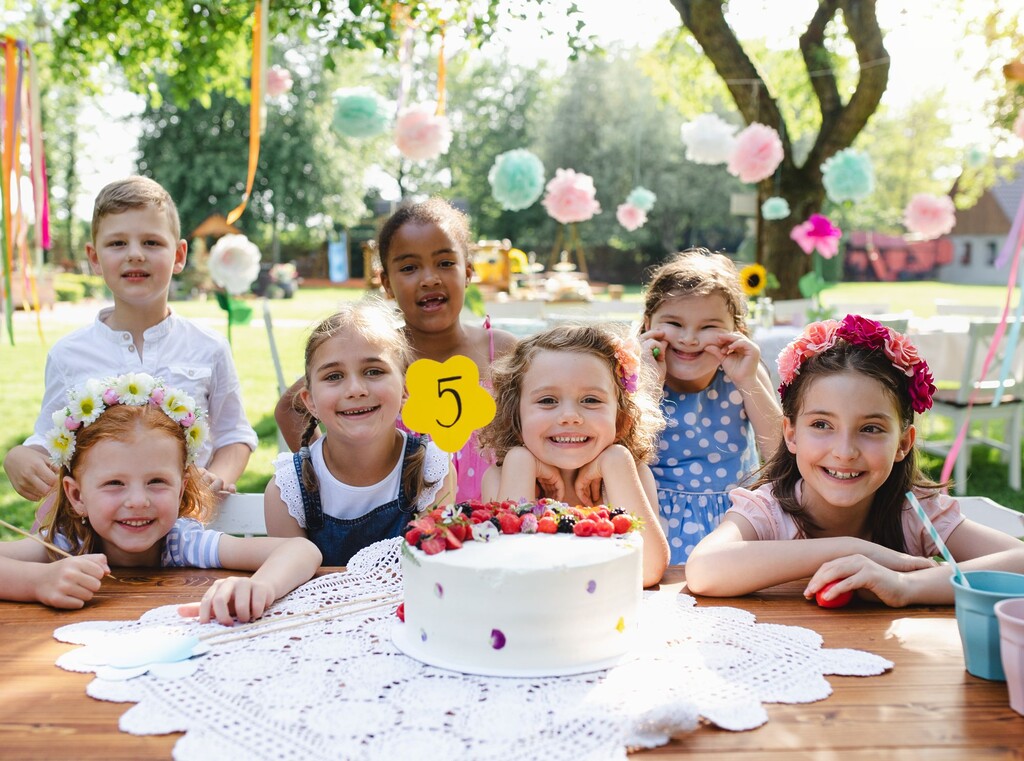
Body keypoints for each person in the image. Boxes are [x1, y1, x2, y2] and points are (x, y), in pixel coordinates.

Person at [685, 315, 1024, 606]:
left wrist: (907, 586)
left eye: (871, 428)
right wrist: (851, 550)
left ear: (903, 443)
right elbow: (704, 570)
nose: (845, 451)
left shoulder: (915, 512)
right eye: (821, 425)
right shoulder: (769, 512)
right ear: (790, 434)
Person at [3, 176, 257, 517]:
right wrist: (18, 457)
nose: (135, 254)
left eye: (151, 242)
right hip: (98, 542)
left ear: (179, 255)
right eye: (117, 243)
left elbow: (234, 434)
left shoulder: (208, 347)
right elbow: (51, 442)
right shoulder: (68, 354)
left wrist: (218, 477)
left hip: (193, 532)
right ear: (94, 257)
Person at [0, 374, 321, 624]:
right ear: (76, 495)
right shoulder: (68, 546)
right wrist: (38, 582)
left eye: (157, 482)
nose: (138, 501)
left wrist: (261, 586)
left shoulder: (183, 543)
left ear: (181, 490)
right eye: (114, 483)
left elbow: (300, 549)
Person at [274, 197, 516, 502]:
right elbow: (291, 407)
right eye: (410, 267)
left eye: (445, 263)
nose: (429, 278)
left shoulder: (502, 351)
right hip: (400, 536)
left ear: (467, 272)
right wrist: (327, 476)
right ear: (387, 283)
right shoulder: (379, 358)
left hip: (495, 527)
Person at [264, 298, 457, 565]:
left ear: (405, 390)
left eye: (374, 371)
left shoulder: (432, 469)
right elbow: (290, 584)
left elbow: (431, 571)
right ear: (310, 402)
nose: (355, 389)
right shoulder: (287, 489)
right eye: (334, 376)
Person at [478, 324, 670, 587]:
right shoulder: (501, 476)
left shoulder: (630, 472)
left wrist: (616, 460)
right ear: (515, 415)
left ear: (621, 415)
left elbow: (647, 572)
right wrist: (520, 461)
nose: (570, 416)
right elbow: (507, 569)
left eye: (591, 400)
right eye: (547, 400)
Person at [638, 249, 782, 563]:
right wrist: (648, 384)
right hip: (654, 519)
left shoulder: (745, 374)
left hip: (734, 522)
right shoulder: (635, 378)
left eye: (708, 326)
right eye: (674, 323)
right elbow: (625, 450)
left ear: (737, 331)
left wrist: (748, 381)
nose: (689, 339)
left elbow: (779, 453)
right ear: (649, 323)